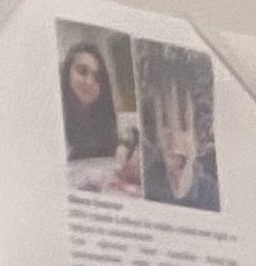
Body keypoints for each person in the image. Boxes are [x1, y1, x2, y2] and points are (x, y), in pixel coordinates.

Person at [138, 49, 220, 212]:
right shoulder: (146, 185)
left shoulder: (212, 196)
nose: (174, 141)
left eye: (184, 126)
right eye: (165, 125)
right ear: (154, 134)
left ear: (199, 134)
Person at [58, 36, 136, 194]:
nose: (89, 82)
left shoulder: (105, 119)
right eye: (82, 71)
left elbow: (131, 132)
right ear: (67, 73)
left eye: (97, 77)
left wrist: (124, 146)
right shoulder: (56, 118)